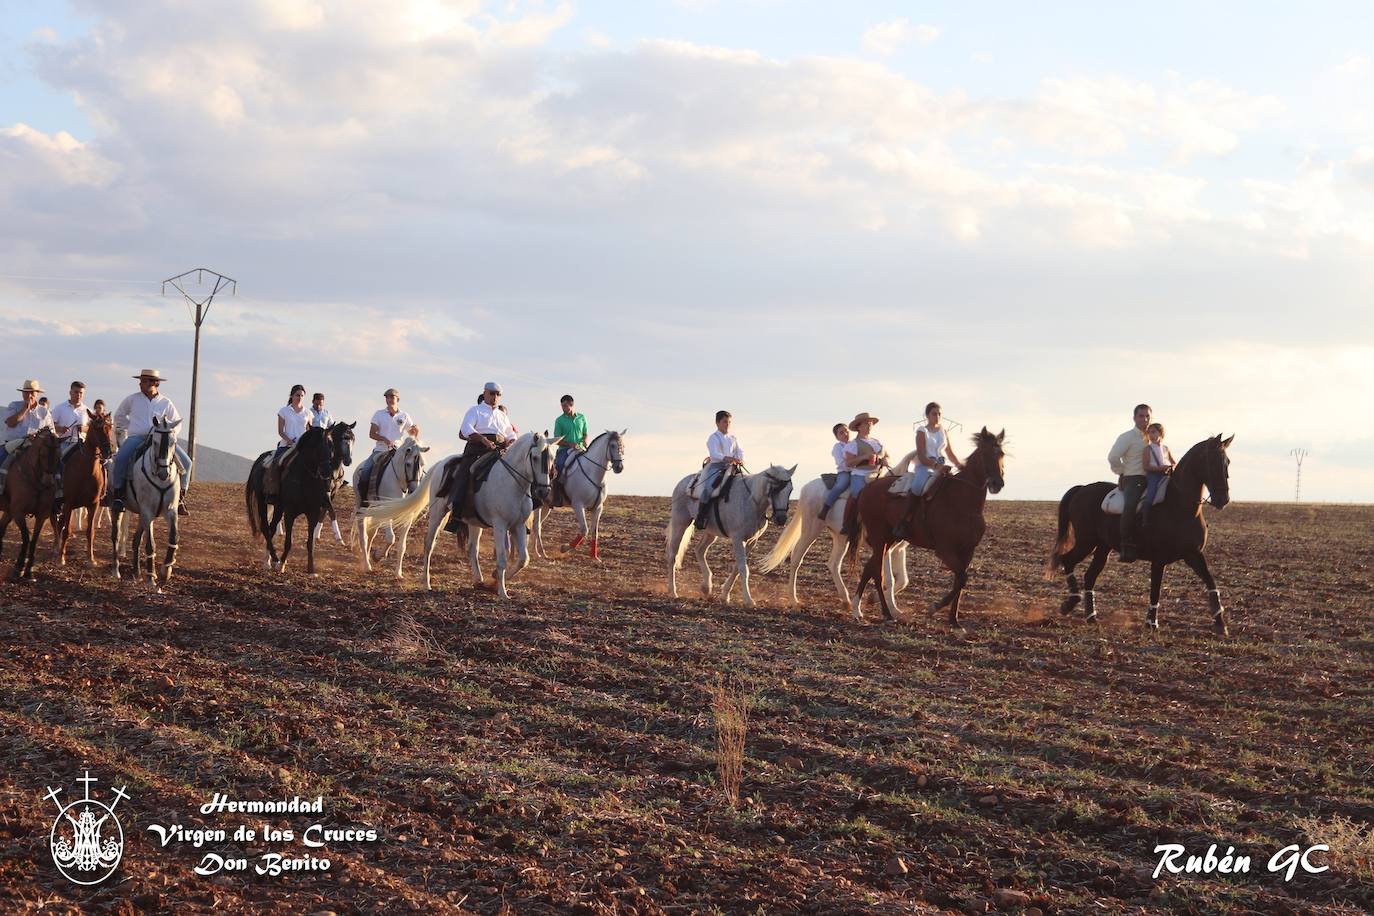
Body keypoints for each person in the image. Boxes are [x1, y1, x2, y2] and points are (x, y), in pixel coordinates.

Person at [110, 369, 192, 514]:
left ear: (155, 383)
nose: (141, 384)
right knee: (121, 458)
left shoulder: (166, 402)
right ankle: (118, 496)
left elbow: (177, 423)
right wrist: (132, 426)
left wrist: (169, 434)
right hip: (137, 437)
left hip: (160, 439)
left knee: (187, 462)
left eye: (145, 381)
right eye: (141, 381)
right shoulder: (132, 399)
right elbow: (119, 416)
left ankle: (180, 498)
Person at [445, 381, 516, 532]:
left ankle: (519, 514)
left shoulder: (502, 416)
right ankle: (456, 512)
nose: (494, 397)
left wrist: (511, 441)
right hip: (477, 451)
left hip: (499, 452)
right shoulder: (475, 411)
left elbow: (511, 433)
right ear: (484, 393)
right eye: (492, 393)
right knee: (466, 472)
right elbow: (466, 429)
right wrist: (483, 439)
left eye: (498, 395)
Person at [894, 402, 965, 540]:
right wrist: (936, 466)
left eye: (939, 414)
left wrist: (959, 464)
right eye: (934, 413)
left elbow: (949, 452)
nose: (937, 416)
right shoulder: (922, 431)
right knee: (917, 486)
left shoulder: (944, 431)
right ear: (927, 415)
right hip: (925, 465)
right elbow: (921, 455)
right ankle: (903, 521)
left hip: (943, 464)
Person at [354, 388, 421, 502]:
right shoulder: (379, 414)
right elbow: (372, 434)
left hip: (398, 452)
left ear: (397, 399)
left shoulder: (404, 416)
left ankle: (413, 496)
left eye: (392, 397)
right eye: (387, 397)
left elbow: (412, 433)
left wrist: (416, 430)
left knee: (414, 468)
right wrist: (384, 439)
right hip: (380, 450)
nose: (389, 399)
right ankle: (364, 501)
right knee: (366, 471)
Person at [1108, 403, 1152, 562]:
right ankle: (1125, 543)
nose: (1145, 419)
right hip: (1134, 478)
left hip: (1154, 477)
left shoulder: (1153, 436)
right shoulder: (1127, 437)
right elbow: (1113, 457)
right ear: (1134, 418)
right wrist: (1122, 472)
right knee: (1131, 504)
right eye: (1141, 416)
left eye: (1147, 416)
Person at [0, 379, 56, 497]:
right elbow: (10, 422)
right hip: (14, 444)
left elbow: (51, 433)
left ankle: (57, 496)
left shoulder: (44, 412)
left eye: (32, 392)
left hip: (36, 446)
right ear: (22, 393)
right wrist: (25, 409)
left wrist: (39, 437)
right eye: (26, 392)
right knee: (2, 458)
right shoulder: (14, 405)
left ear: (37, 393)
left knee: (57, 464)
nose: (29, 395)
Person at [694, 410, 744, 530]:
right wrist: (728, 458)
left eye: (729, 422)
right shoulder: (713, 437)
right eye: (725, 422)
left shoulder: (733, 438)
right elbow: (714, 454)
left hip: (732, 466)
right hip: (716, 466)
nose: (727, 424)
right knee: (708, 488)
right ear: (717, 423)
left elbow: (740, 451)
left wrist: (740, 459)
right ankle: (701, 517)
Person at [840, 412, 888, 532]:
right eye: (866, 423)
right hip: (860, 474)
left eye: (870, 423)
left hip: (878, 473)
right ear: (859, 427)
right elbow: (849, 463)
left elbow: (887, 456)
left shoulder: (877, 442)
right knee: (856, 493)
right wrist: (863, 457)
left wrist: (885, 460)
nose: (869, 425)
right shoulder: (853, 444)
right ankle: (847, 522)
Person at [264, 385, 311, 498]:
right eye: (297, 395)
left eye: (302, 396)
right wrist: (289, 441)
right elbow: (280, 431)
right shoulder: (284, 411)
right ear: (291, 396)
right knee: (276, 464)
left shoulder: (308, 413)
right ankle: (272, 492)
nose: (299, 397)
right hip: (287, 445)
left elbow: (310, 432)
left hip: (302, 448)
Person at [50, 381, 90, 508]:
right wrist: (60, 428)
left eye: (81, 393)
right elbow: (49, 426)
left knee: (99, 464)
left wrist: (83, 429)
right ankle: (58, 492)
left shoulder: (87, 410)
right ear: (70, 392)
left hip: (81, 444)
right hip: (64, 443)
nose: (78, 395)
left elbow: (91, 428)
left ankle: (98, 493)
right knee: (59, 463)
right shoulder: (59, 408)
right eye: (76, 392)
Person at [1141, 421, 1175, 525]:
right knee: (1151, 493)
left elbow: (1173, 462)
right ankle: (1143, 517)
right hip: (1153, 475)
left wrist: (1171, 467)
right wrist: (1161, 468)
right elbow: (1146, 466)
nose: (1151, 435)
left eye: (1153, 432)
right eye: (1149, 433)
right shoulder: (1148, 449)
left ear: (1160, 433)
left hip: (1166, 474)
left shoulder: (1165, 448)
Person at [818, 422, 852, 519]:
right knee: (841, 485)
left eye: (846, 431)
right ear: (837, 437)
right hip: (844, 471)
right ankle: (826, 508)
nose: (845, 434)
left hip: (857, 471)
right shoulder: (838, 447)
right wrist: (852, 466)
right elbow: (841, 462)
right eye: (841, 433)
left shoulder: (854, 444)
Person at [553, 394, 588, 476]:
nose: (563, 408)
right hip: (564, 450)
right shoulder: (559, 420)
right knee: (559, 465)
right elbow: (556, 440)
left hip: (581, 449)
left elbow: (585, 433)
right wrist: (570, 444)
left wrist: (585, 440)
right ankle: (557, 487)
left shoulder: (582, 417)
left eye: (565, 406)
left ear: (571, 405)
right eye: (562, 406)